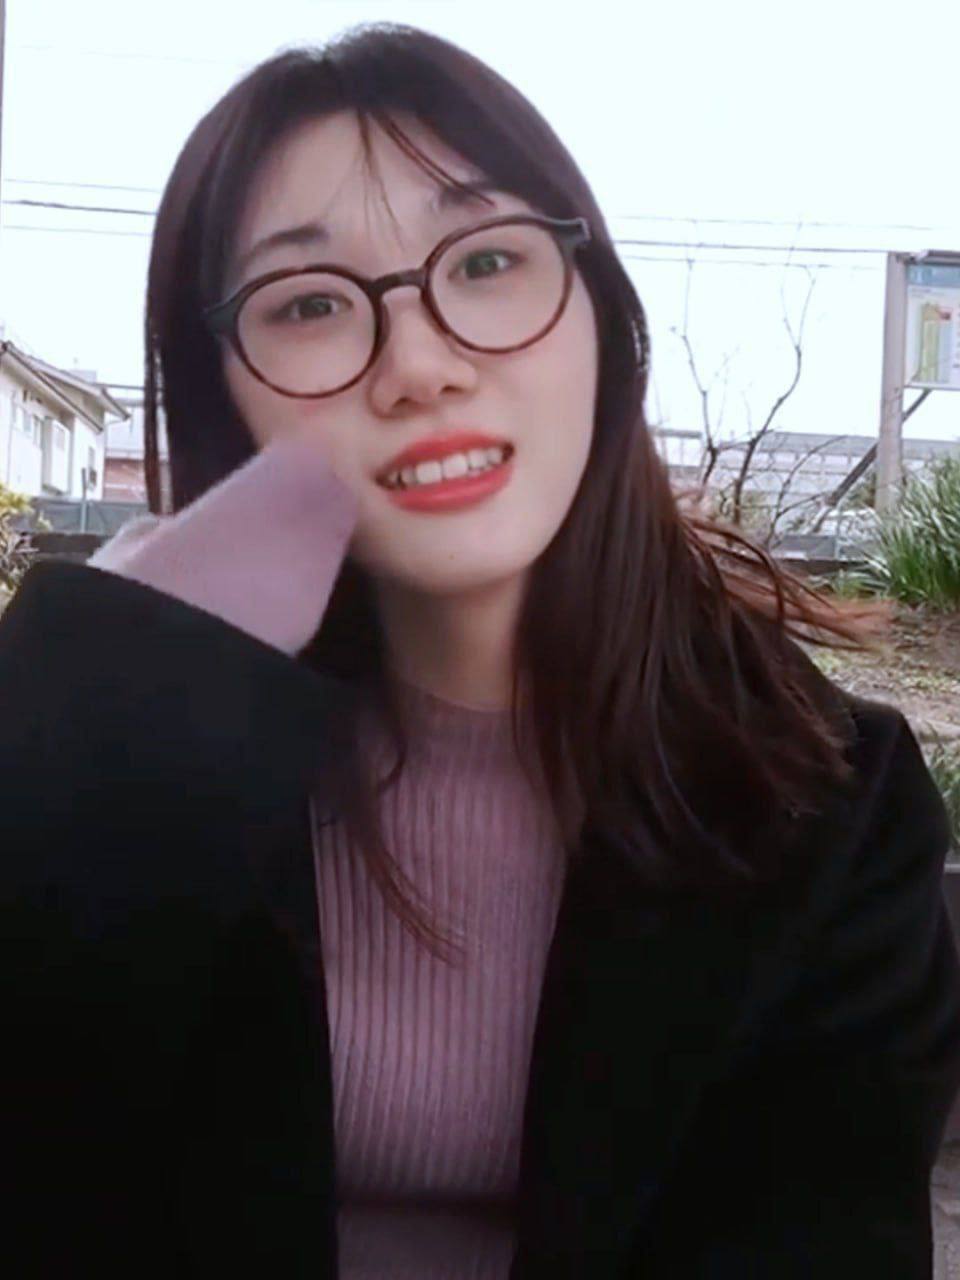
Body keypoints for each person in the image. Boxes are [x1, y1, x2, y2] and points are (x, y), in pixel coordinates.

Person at [2, 22, 959, 1280]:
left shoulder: (830, 808)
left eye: (489, 260)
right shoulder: (136, 760)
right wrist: (91, 694)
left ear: (601, 317)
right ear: (222, 386)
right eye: (310, 303)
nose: (420, 365)